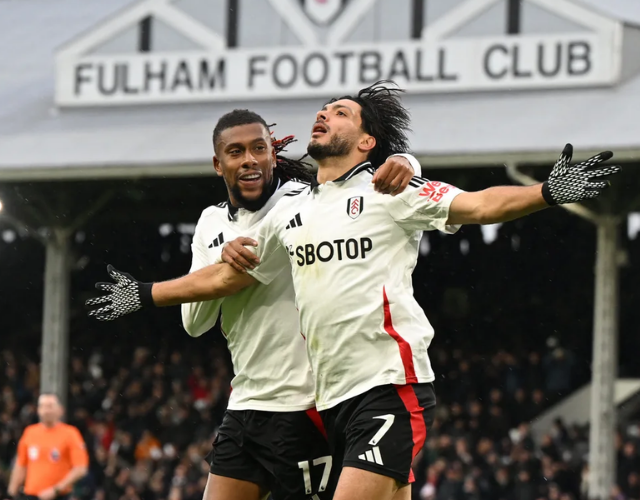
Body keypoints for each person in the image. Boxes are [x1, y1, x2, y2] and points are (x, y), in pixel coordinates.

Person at [87, 80, 621, 500]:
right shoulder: (291, 211)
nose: (324, 114)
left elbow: (479, 205)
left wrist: (546, 191)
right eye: (323, 109)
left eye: (341, 112)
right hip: (333, 398)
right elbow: (228, 279)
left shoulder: (391, 190)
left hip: (389, 384)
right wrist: (144, 293)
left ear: (367, 142)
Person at [87, 108, 419, 500]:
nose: (249, 159)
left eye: (259, 148)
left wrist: (406, 160)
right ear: (218, 164)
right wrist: (219, 257)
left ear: (272, 155)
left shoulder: (301, 202)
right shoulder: (210, 222)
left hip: (304, 405)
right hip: (246, 403)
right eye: (236, 152)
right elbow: (195, 323)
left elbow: (359, 183)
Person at [7, 394, 88, 500]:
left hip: (59, 496)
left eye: (50, 406)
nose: (46, 410)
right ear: (38, 410)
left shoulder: (71, 434)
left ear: (60, 410)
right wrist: (11, 494)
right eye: (43, 406)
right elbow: (21, 465)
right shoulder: (30, 432)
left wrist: (56, 489)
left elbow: (80, 468)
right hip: (31, 496)